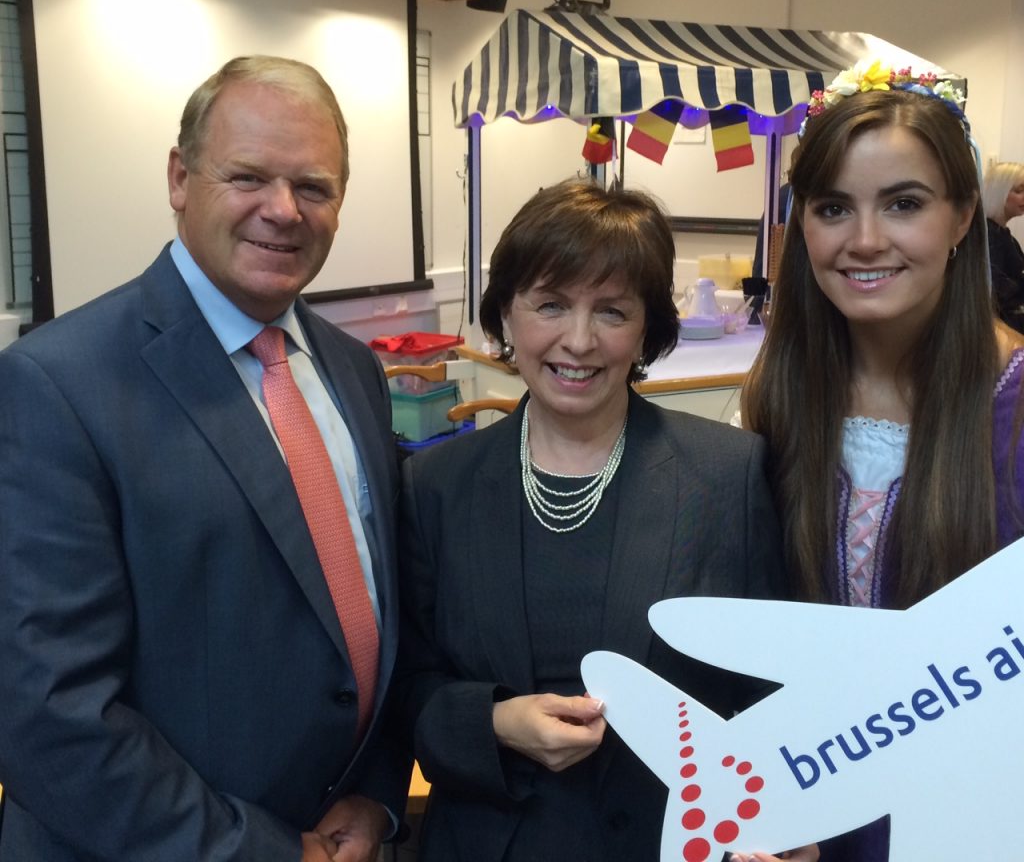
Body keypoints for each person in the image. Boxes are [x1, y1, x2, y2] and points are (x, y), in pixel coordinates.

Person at [0, 56, 406, 861]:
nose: (283, 211)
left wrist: (379, 799)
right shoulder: (56, 385)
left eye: (314, 187)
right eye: (248, 176)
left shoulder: (353, 371)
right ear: (180, 178)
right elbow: (48, 712)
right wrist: (262, 852)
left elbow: (374, 617)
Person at [396, 179, 813, 862]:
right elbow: (405, 691)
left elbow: (767, 682)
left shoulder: (726, 473)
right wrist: (493, 721)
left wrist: (782, 818)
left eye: (613, 311)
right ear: (505, 314)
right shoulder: (435, 485)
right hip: (488, 842)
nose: (580, 341)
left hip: (671, 843)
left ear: (648, 327)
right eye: (551, 304)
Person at [741, 65, 1024, 860]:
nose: (864, 240)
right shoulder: (776, 401)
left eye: (903, 203)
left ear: (963, 215)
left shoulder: (1015, 407)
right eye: (833, 208)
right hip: (809, 813)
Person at [982, 159, 1024, 332]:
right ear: (1000, 192)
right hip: (1002, 327)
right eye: (1019, 190)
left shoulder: (1005, 236)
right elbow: (995, 291)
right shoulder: (990, 237)